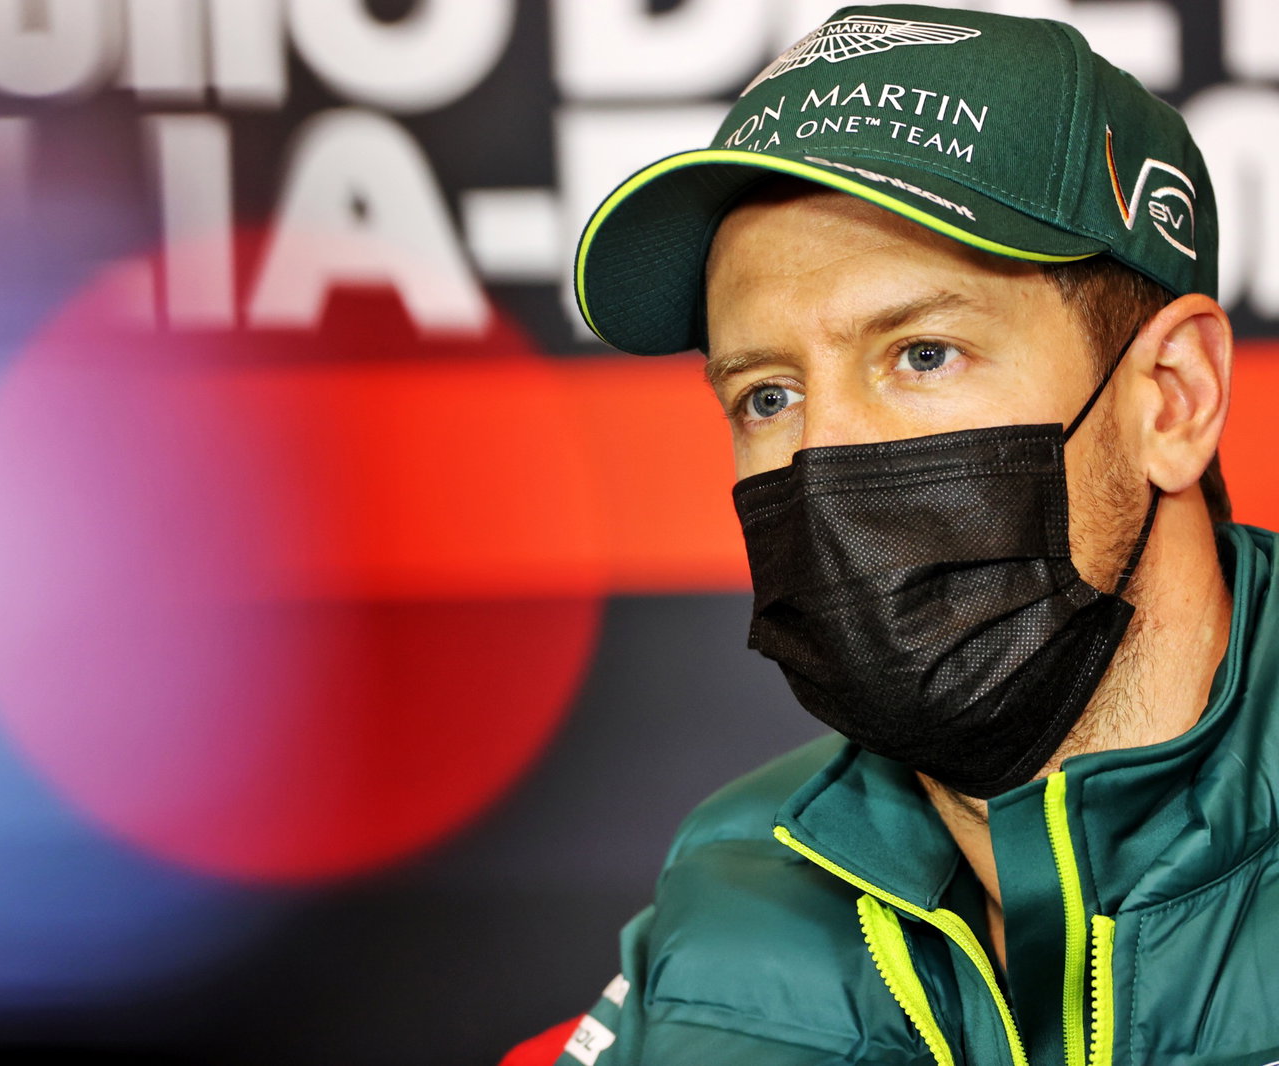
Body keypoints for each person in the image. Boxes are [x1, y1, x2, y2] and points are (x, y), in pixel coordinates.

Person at [510, 4, 1279, 1064]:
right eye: (768, 395)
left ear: (1172, 400)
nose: (823, 456)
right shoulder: (725, 897)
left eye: (921, 354)